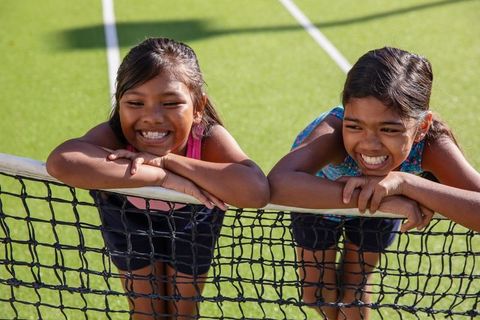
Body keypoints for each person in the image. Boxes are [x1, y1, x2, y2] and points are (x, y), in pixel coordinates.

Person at [47, 37, 269, 320]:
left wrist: (167, 160)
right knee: (146, 312)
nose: (152, 117)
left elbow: (256, 191)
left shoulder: (208, 137)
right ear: (120, 103)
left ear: (198, 106)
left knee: (183, 313)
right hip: (127, 218)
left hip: (194, 220)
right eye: (136, 102)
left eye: (171, 102)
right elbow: (61, 162)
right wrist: (162, 178)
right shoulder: (114, 134)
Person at [267, 46, 480, 320]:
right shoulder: (332, 133)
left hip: (383, 207)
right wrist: (379, 197)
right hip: (318, 201)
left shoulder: (433, 144)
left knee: (354, 288)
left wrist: (405, 183)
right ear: (344, 115)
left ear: (422, 127)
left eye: (389, 129)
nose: (369, 143)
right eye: (355, 126)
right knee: (316, 293)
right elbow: (278, 184)